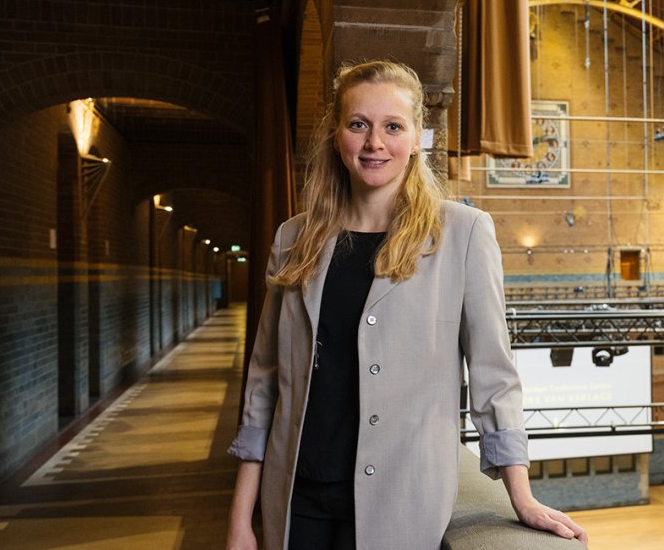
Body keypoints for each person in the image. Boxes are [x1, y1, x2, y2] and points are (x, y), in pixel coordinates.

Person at [225, 60, 587, 550]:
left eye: (393, 127)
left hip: (398, 504)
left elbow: (493, 375)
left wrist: (520, 496)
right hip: (295, 500)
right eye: (359, 125)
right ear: (338, 135)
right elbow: (265, 383)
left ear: (418, 138)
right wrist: (241, 520)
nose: (375, 143)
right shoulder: (294, 237)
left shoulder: (463, 234)